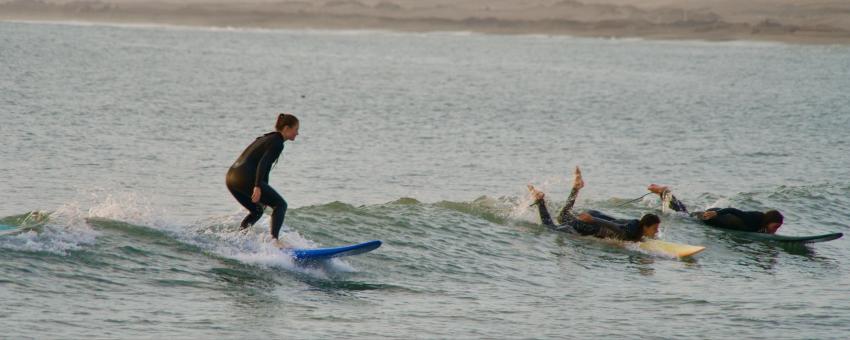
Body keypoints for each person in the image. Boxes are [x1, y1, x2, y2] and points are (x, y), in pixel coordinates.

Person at [529, 167, 660, 242]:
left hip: (594, 218)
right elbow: (614, 226)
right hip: (591, 225)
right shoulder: (630, 232)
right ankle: (540, 201)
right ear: (645, 226)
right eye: (654, 228)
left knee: (563, 217)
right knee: (550, 227)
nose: (657, 231)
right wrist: (593, 219)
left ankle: (576, 188)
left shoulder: (636, 225)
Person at [226, 113, 299, 247]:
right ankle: (275, 241)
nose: (297, 133)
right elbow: (263, 163)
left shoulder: (267, 138)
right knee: (280, 205)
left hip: (232, 178)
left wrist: (262, 189)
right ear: (287, 128)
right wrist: (258, 187)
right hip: (245, 178)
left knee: (257, 210)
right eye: (296, 129)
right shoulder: (277, 143)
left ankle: (238, 240)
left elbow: (262, 166)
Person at [647, 184, 783, 234]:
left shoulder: (762, 226)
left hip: (720, 220)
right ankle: (664, 192)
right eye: (775, 226)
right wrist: (715, 213)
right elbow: (733, 210)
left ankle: (665, 193)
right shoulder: (754, 218)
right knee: (684, 215)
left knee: (685, 213)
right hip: (714, 217)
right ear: (769, 220)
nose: (776, 229)